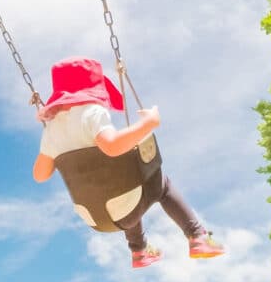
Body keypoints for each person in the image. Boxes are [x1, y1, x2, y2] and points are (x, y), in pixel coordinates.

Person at [32, 57, 225, 269]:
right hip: (125, 208)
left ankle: (139, 250)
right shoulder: (91, 113)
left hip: (94, 217)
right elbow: (112, 146)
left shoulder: (51, 130)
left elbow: (40, 175)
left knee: (123, 183)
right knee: (160, 182)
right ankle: (197, 236)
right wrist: (148, 123)